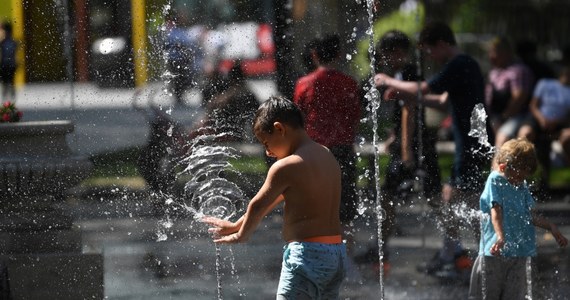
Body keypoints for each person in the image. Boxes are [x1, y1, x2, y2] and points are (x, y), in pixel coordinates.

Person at [374, 21, 493, 278]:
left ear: (441, 44)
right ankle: (457, 253)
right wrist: (406, 95)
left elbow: (426, 88)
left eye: (430, 51)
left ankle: (484, 254)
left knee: (464, 198)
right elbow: (440, 101)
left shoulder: (458, 63)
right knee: (456, 196)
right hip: (471, 138)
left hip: (470, 141)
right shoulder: (468, 64)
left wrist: (388, 83)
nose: (430, 57)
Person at [202, 96, 347, 299]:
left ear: (280, 129)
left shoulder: (286, 167)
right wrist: (237, 224)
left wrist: (241, 235)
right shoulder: (326, 155)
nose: (268, 152)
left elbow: (258, 204)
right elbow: (272, 201)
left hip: (307, 255)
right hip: (336, 255)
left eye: (266, 143)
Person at [355, 30, 441, 273]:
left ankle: (453, 249)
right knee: (391, 198)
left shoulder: (408, 73)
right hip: (412, 145)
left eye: (393, 53)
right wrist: (395, 137)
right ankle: (381, 249)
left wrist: (405, 152)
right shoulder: (405, 73)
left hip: (416, 149)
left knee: (431, 198)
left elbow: (409, 111)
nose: (390, 58)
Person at [468, 137, 568, 300]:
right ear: (504, 166)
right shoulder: (495, 181)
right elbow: (496, 211)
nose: (522, 180)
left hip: (519, 253)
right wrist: (500, 237)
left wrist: (551, 226)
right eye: (520, 175)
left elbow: (528, 215)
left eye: (525, 176)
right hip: (494, 253)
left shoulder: (521, 186)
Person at [293, 34, 361, 229]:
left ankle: (318, 253)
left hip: (313, 153)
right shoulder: (349, 83)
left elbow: (298, 120)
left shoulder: (304, 84)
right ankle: (346, 256)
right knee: (345, 211)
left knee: (313, 207)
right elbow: (354, 118)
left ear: (314, 55)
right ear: (339, 55)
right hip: (343, 151)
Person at [518, 64, 570, 185]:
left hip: (559, 123)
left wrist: (556, 122)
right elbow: (533, 105)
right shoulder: (545, 84)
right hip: (538, 119)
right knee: (525, 134)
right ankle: (519, 176)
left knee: (568, 137)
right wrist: (542, 120)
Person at [485, 36, 535, 147]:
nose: (490, 56)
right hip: (495, 118)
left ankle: (497, 164)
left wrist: (503, 118)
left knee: (503, 139)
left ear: (506, 53)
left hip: (517, 117)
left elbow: (519, 98)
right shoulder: (494, 72)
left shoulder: (518, 71)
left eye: (493, 52)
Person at [0, 21, 17, 102]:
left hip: (10, 65)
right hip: (4, 65)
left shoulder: (12, 42)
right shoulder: (3, 42)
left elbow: (15, 54)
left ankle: (12, 99)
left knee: (11, 82)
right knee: (5, 83)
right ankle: (5, 99)